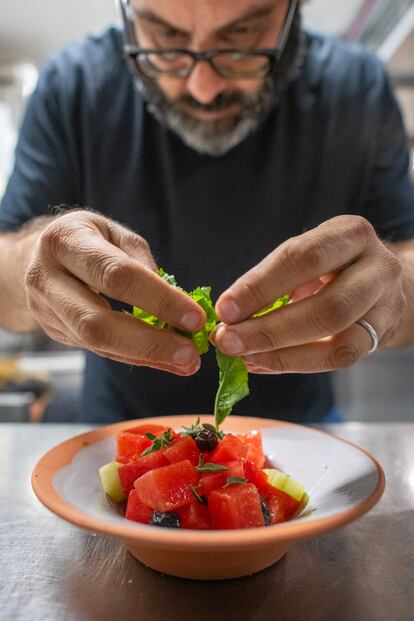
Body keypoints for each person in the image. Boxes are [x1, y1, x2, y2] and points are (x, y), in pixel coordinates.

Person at [0, 0, 413, 424]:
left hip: (306, 440)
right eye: (166, 38)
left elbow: (406, 262)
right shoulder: (71, 85)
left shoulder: (357, 87)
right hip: (115, 438)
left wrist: (393, 287)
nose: (203, 88)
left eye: (240, 38)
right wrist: (34, 265)